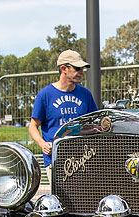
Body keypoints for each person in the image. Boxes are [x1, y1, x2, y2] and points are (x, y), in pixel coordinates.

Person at [28, 50, 98, 183]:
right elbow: (33, 126)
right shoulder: (45, 95)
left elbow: (94, 122)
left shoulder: (85, 94)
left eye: (82, 68)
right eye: (77, 68)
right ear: (64, 69)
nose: (81, 72)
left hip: (83, 158)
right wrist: (42, 144)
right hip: (56, 160)